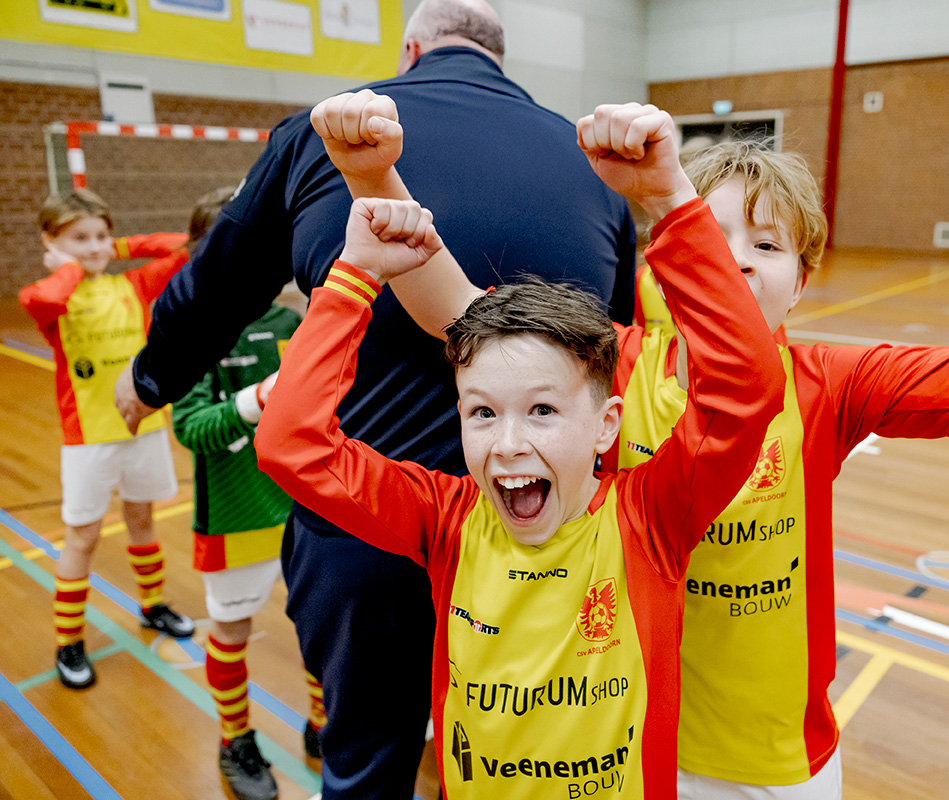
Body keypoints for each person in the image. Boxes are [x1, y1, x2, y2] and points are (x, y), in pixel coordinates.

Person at [314, 92, 949, 799]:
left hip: (773, 764)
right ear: (660, 257)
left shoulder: (832, 383)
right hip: (616, 755)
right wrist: (371, 177)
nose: (733, 259)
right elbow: (456, 307)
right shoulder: (603, 370)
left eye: (766, 243)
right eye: (708, 230)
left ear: (804, 280)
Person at [112, 1, 635, 795]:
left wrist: (152, 376)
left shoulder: (325, 134)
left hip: (365, 524)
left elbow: (220, 281)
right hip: (538, 529)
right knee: (528, 749)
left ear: (411, 50)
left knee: (364, 762)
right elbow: (620, 343)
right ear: (501, 59)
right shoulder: (585, 162)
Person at [255, 96, 785, 799]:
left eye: (541, 410)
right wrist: (353, 276)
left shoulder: (650, 519)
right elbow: (291, 445)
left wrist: (670, 199)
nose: (507, 444)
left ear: (607, 426)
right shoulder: (444, 518)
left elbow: (746, 382)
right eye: (481, 412)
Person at [170, 187, 324, 800]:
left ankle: (322, 725)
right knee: (230, 634)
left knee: (316, 628)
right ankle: (235, 737)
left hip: (305, 512)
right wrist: (254, 400)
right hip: (234, 519)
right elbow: (191, 428)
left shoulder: (292, 323)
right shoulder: (194, 330)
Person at [19, 188, 195, 690]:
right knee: (84, 537)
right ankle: (68, 640)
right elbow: (48, 297)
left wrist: (114, 248)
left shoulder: (134, 285)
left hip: (141, 427)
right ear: (50, 242)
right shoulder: (46, 293)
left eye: (101, 235)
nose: (94, 246)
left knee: (142, 520)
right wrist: (70, 264)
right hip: (88, 440)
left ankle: (152, 604)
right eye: (80, 238)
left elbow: (186, 248)